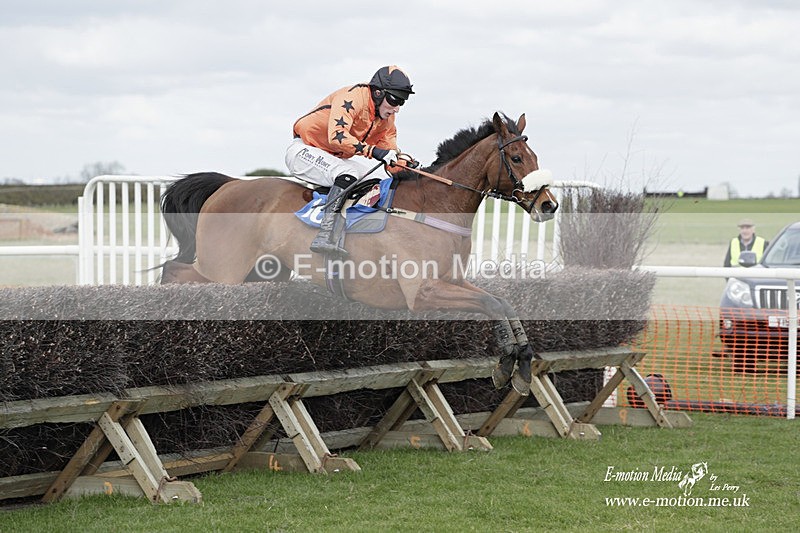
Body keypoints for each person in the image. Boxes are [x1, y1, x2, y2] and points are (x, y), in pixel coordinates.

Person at [286, 65, 416, 256]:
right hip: (305, 150)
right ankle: (326, 234)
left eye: (402, 102)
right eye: (394, 100)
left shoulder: (387, 119)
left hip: (334, 157)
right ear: (378, 93)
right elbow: (337, 137)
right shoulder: (353, 98)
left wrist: (403, 165)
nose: (396, 108)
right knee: (348, 174)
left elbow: (389, 153)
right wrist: (374, 151)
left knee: (380, 178)